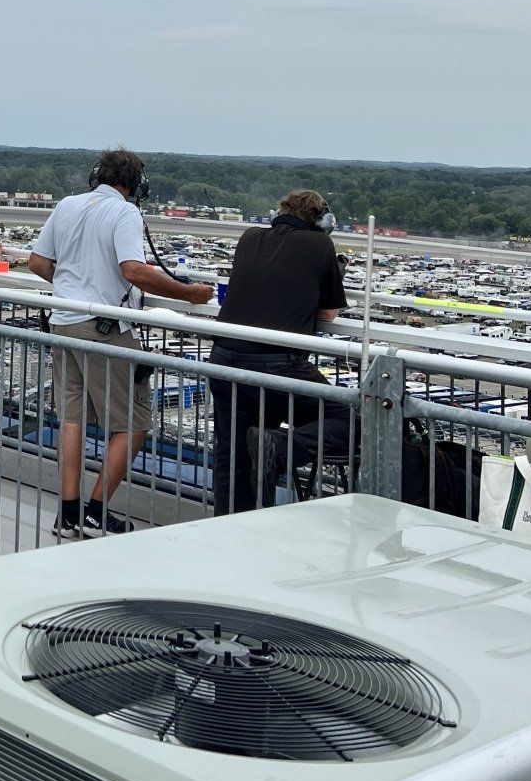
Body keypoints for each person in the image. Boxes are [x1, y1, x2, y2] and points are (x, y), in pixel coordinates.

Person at [28, 149, 214, 538]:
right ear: (136, 185)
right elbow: (133, 270)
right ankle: (95, 511)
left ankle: (67, 514)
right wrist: (189, 293)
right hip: (104, 328)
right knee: (134, 424)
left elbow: (38, 263)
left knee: (72, 420)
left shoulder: (67, 205)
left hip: (62, 323)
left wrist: (72, 285)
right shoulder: (126, 213)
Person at [206, 188, 347, 515]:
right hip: (277, 367)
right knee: (351, 418)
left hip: (225, 359)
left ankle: (229, 528)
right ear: (322, 222)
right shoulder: (320, 244)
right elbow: (328, 315)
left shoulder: (250, 236)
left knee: (233, 456)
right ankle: (280, 446)